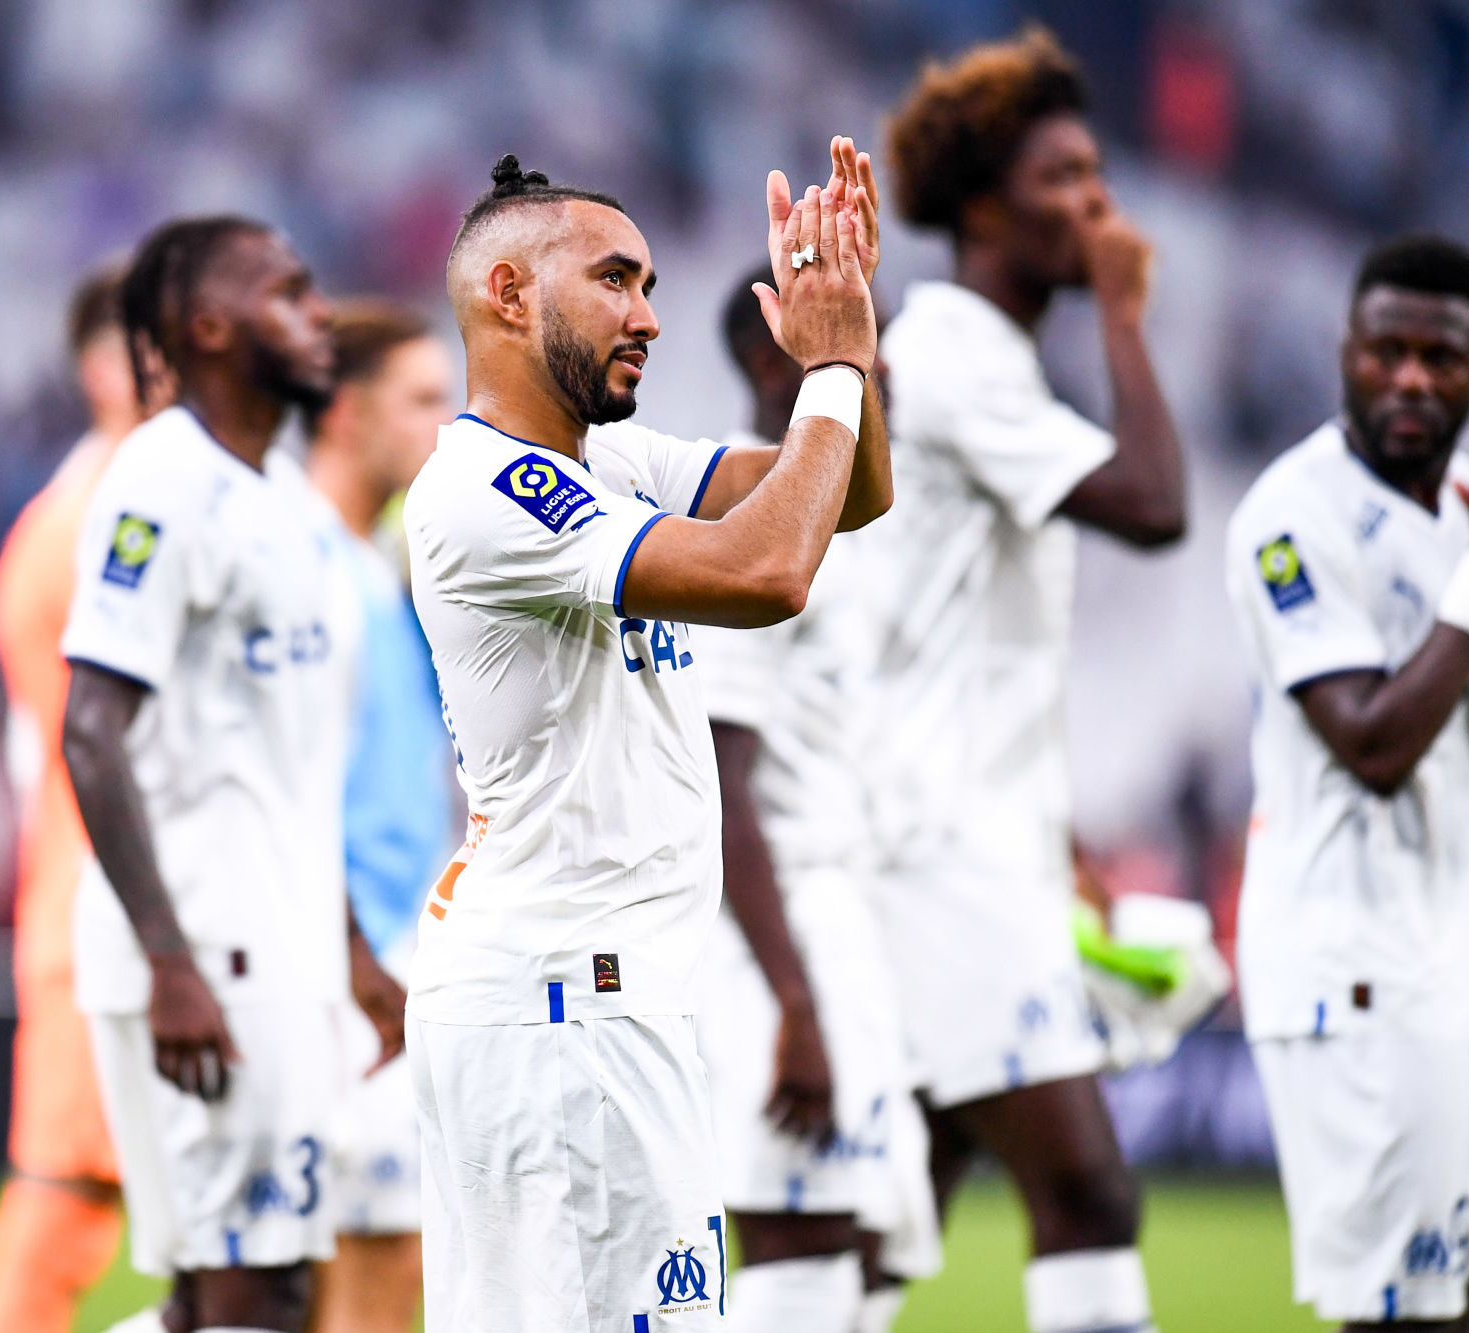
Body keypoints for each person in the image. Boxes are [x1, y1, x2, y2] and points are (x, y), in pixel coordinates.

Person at [403, 143, 891, 1333]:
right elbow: (765, 572)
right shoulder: (487, 491)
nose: (648, 317)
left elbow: (851, 496)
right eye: (615, 280)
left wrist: (847, 351)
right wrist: (828, 369)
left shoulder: (607, 460)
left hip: (603, 995)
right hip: (559, 1003)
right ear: (508, 294)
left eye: (650, 285)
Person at [862, 28, 1187, 1333]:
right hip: (934, 848)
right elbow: (1154, 502)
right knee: (1087, 1191)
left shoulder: (990, 361)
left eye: (1098, 173)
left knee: (890, 1212)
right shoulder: (948, 354)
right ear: (984, 207)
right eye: (1063, 177)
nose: (1097, 205)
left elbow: (981, 655)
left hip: (968, 838)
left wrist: (1051, 842)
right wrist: (1123, 312)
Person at [1226, 235, 1469, 1333]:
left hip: (1438, 972)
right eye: (1388, 351)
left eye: (1441, 357)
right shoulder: (1290, 516)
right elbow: (1371, 747)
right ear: (1346, 350)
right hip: (1350, 976)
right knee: (1402, 1316)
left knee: (1450, 1305)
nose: (1411, 379)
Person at [59, 216, 404, 1333]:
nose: (320, 314)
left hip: (282, 949)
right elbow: (91, 730)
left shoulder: (284, 502)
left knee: (224, 1297)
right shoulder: (161, 482)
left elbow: (291, 770)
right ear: (208, 325)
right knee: (259, 1291)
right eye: (288, 293)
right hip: (210, 954)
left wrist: (350, 951)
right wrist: (173, 961)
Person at [689, 265, 941, 1333]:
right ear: (770, 356)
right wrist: (794, 1003)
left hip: (841, 923)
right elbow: (719, 787)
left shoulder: (849, 525)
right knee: (802, 1247)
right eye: (853, 342)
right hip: (768, 936)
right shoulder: (749, 524)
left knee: (862, 1262)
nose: (884, 368)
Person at [0, 262, 146, 1333]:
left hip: (107, 895)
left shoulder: (94, 506)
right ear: (100, 366)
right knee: (66, 1198)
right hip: (104, 897)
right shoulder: (94, 522)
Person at [302, 302, 459, 1333]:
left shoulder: (368, 562)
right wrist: (356, 954)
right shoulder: (305, 567)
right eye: (421, 400)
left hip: (387, 947)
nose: (445, 427)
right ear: (346, 411)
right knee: (371, 1268)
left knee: (320, 1284)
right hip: (345, 963)